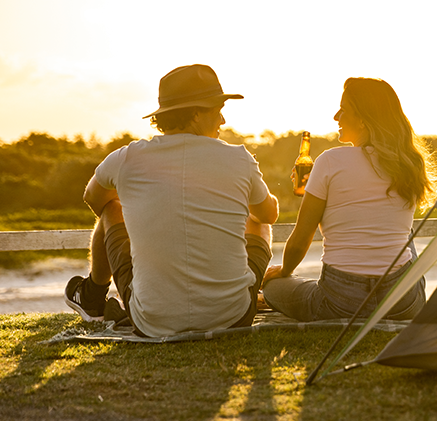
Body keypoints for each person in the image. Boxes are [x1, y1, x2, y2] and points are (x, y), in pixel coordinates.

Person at [64, 64, 279, 336]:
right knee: (256, 219)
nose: (223, 121)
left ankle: (93, 295)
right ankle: (232, 289)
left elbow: (93, 199)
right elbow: (269, 215)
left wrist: (143, 207)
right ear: (197, 113)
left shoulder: (127, 158)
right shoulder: (240, 157)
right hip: (233, 317)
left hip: (153, 321)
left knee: (111, 208)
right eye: (218, 111)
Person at [262, 77, 437, 321]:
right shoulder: (408, 165)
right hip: (402, 303)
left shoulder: (329, 161)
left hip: (340, 303)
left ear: (363, 118)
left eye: (343, 109)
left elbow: (299, 242)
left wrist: (284, 271)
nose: (336, 116)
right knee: (404, 234)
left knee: (274, 288)